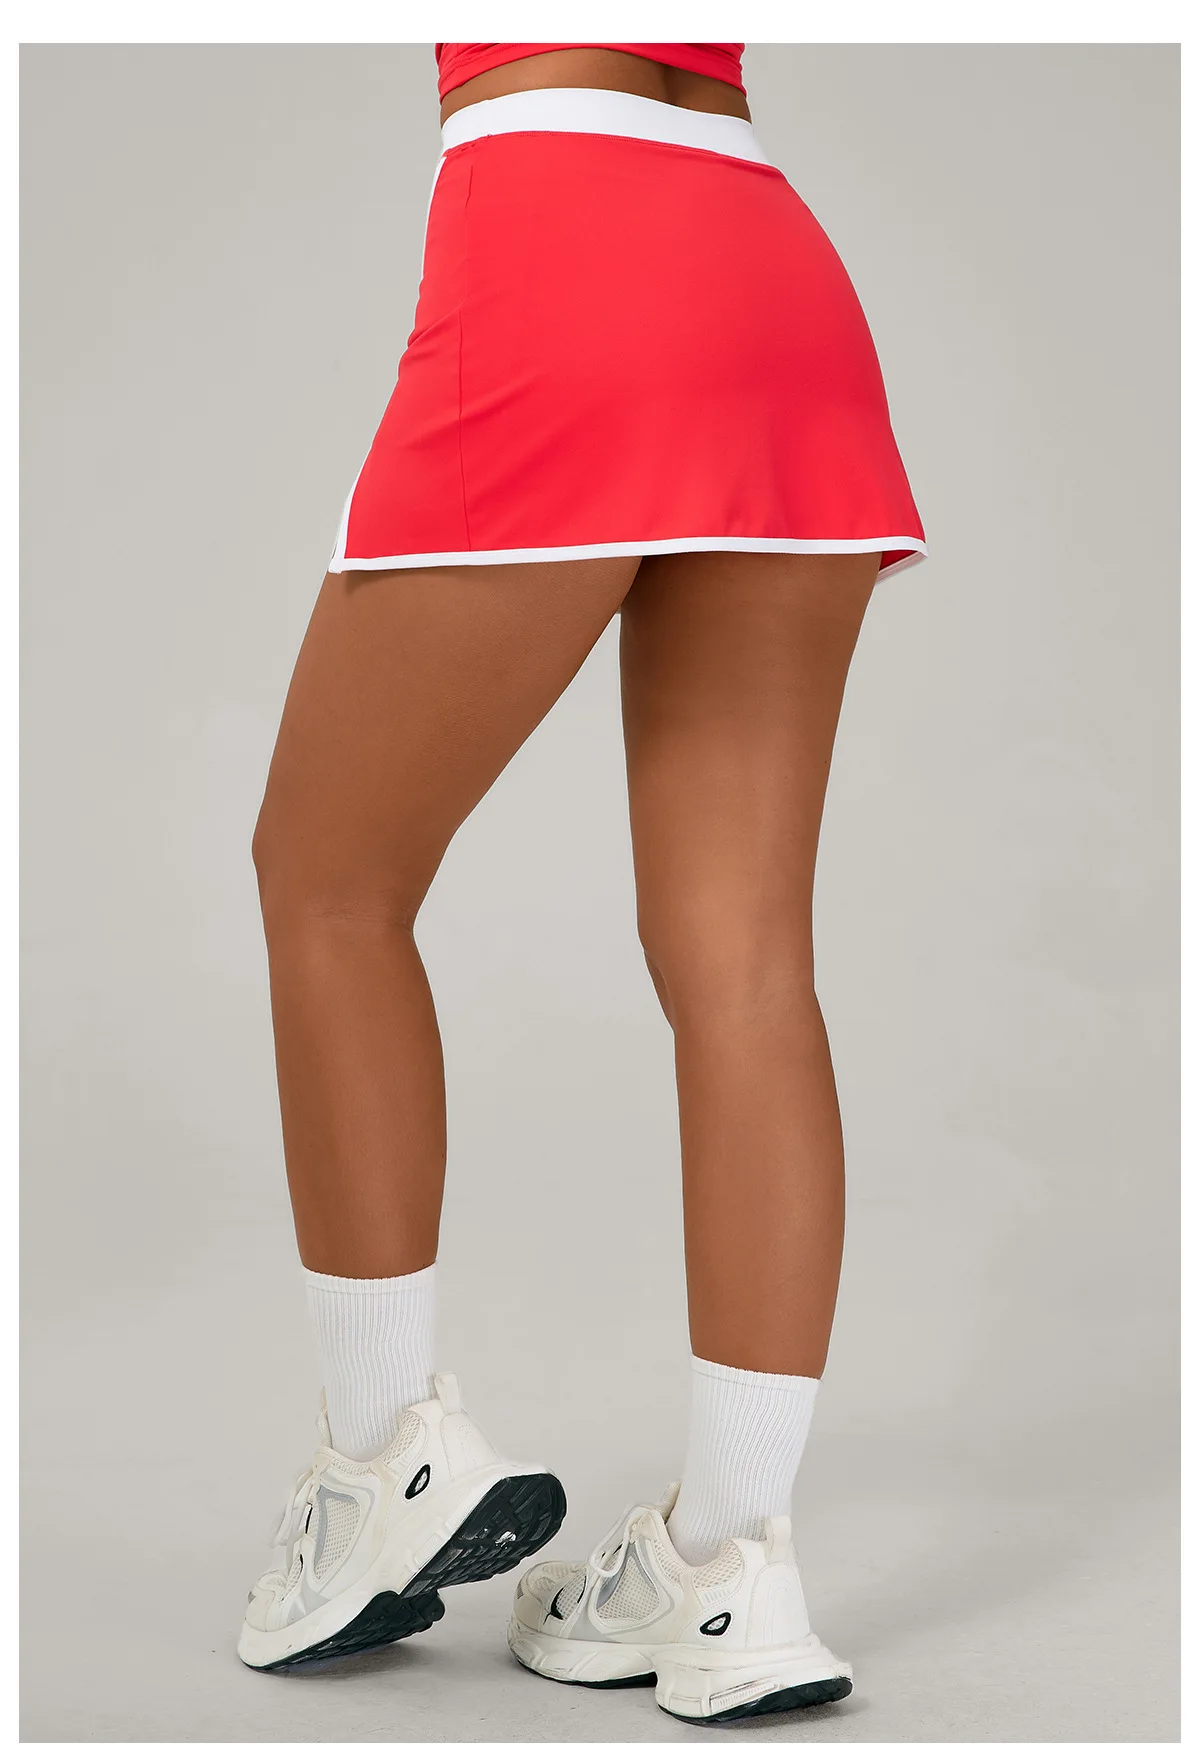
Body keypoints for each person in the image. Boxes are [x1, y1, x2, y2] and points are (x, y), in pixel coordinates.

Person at [237, 42, 925, 1724]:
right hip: (774, 268)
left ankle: (382, 1462)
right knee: (745, 961)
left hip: (564, 239)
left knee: (327, 879)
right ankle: (731, 1567)